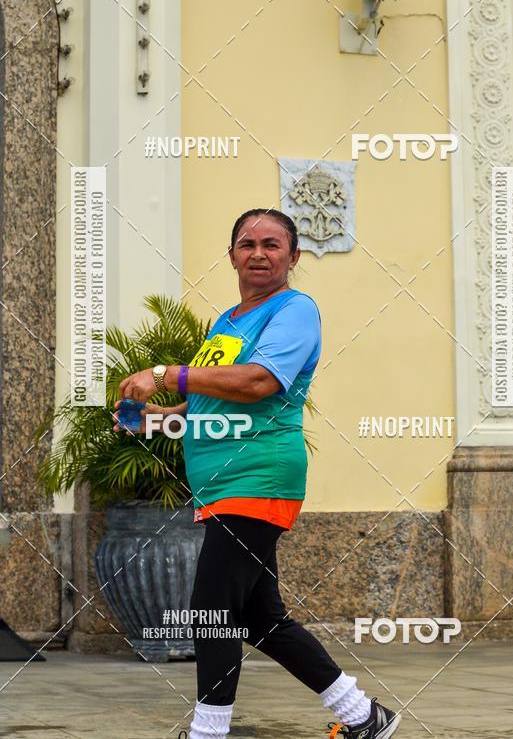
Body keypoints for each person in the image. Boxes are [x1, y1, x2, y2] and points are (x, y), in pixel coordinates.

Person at [115, 209, 401, 738]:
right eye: (247, 244)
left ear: (293, 258)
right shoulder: (227, 320)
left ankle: (208, 731)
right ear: (232, 257)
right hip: (222, 485)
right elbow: (210, 403)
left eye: (272, 245)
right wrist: (159, 419)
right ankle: (364, 716)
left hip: (256, 480)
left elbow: (258, 383)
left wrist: (164, 374)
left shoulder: (295, 309)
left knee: (210, 611)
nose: (259, 253)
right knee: (260, 618)